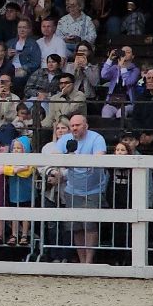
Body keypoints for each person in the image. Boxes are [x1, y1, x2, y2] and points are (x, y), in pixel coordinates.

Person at [47, 112, 108, 265]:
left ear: (85, 125)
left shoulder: (97, 138)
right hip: (72, 189)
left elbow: (99, 157)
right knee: (76, 228)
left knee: (90, 226)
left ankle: (89, 261)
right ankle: (82, 262)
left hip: (93, 189)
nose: (74, 128)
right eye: (72, 126)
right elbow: (54, 155)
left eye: (77, 125)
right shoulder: (65, 139)